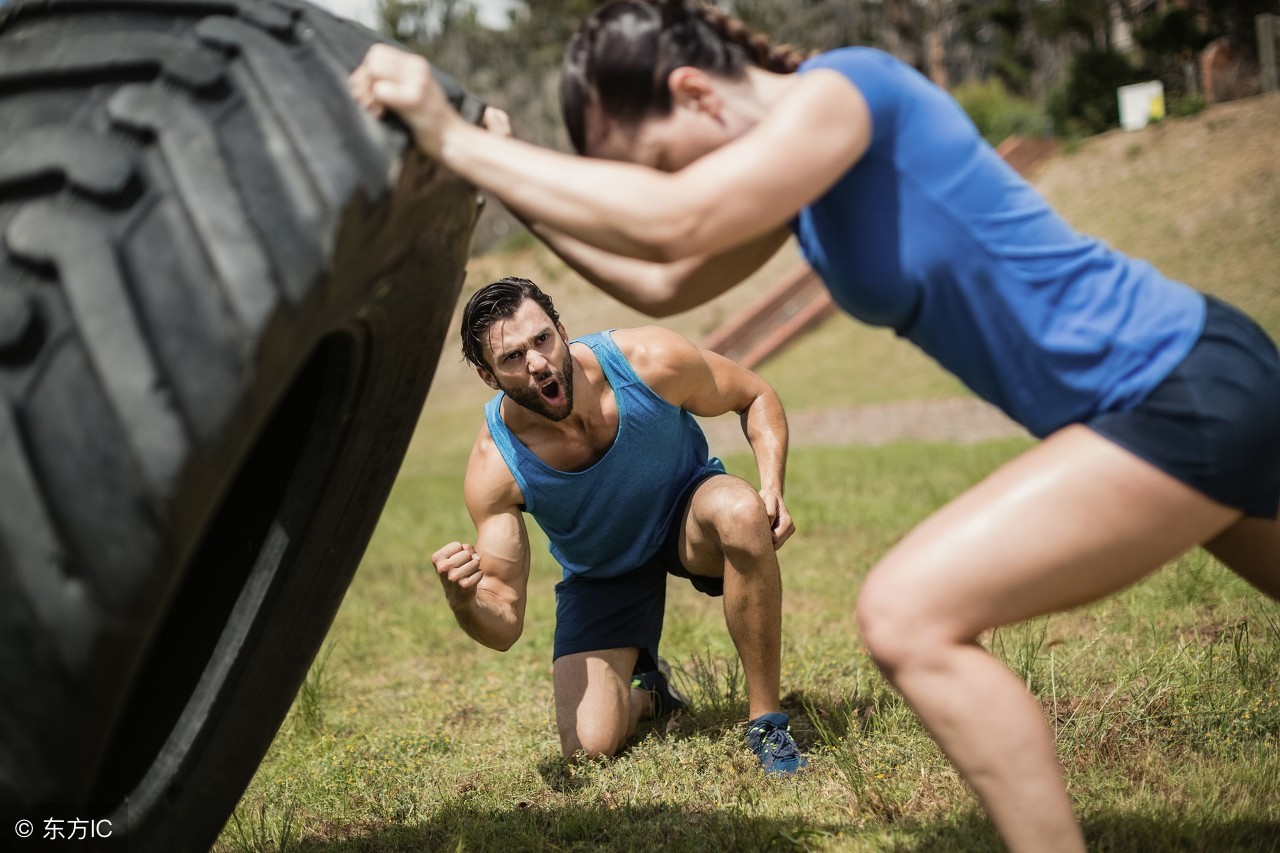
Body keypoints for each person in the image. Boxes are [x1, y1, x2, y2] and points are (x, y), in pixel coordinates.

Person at [350, 3, 1280, 848]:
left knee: (907, 616)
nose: (669, 183)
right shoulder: (811, 199)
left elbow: (678, 222)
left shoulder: (849, 90)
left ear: (693, 92)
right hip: (1181, 391)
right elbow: (663, 277)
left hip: (1168, 382)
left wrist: (456, 139)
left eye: (662, 159)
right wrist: (511, 188)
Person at [430, 276, 806, 774]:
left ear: (561, 329)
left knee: (740, 511)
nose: (537, 363)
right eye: (512, 358)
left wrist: (771, 485)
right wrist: (464, 600)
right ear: (488, 376)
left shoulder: (647, 360)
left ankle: (767, 723)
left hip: (685, 516)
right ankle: (648, 695)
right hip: (602, 570)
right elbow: (503, 624)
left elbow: (755, 395)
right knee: (590, 749)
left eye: (542, 339)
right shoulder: (495, 465)